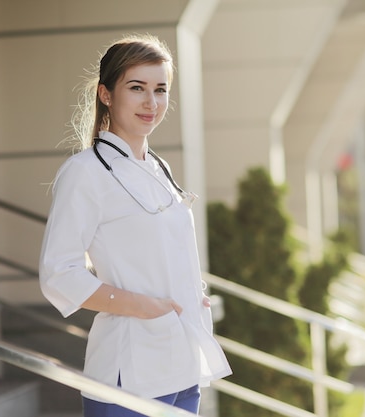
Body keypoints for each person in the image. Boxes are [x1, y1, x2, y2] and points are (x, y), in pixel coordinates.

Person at [39, 34, 232, 417]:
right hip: (129, 372)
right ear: (106, 94)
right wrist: (142, 306)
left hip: (181, 364)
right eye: (137, 88)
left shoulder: (158, 169)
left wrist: (189, 292)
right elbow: (59, 274)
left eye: (160, 89)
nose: (152, 102)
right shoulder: (85, 172)